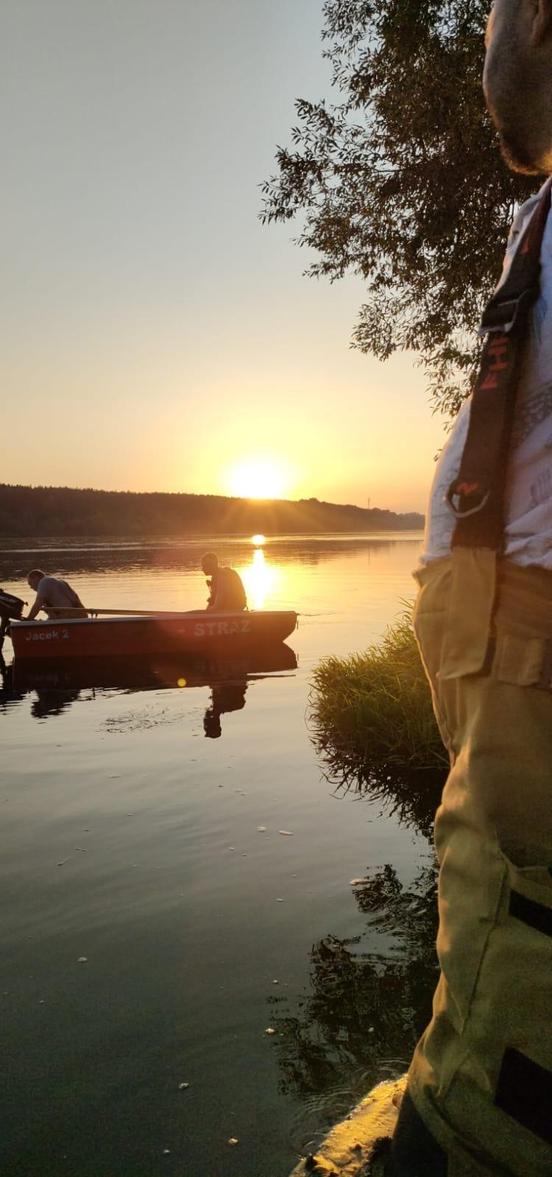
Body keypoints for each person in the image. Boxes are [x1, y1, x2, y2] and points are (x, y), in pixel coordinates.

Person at [387, 4, 552, 1174]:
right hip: (488, 616)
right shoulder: (537, 208)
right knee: (484, 887)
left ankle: (467, 1145)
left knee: (518, 933)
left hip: (528, 629)